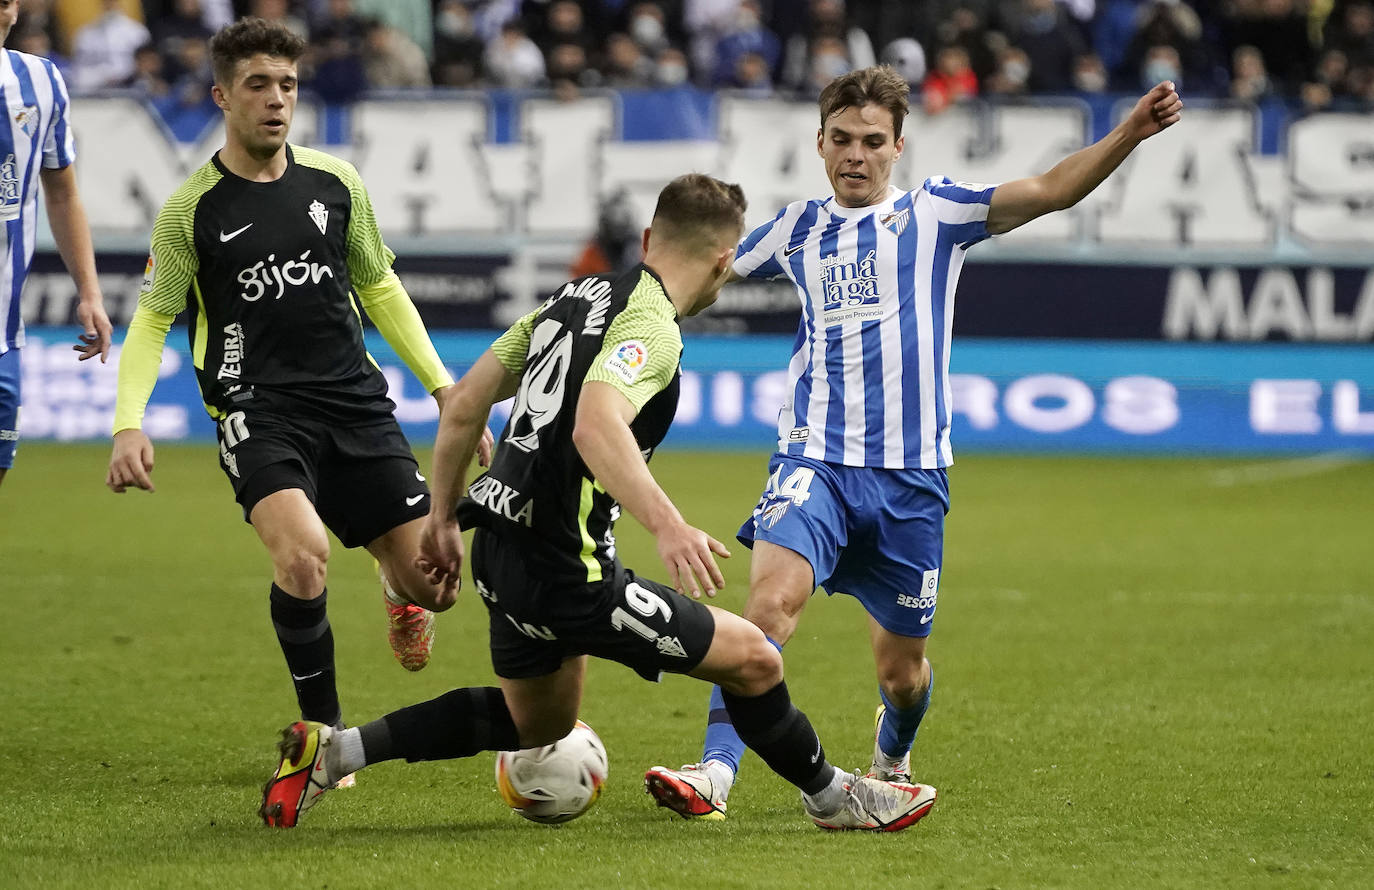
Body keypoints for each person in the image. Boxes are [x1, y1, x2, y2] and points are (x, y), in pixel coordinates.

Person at [259, 173, 936, 833]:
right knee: (756, 659)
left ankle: (334, 753)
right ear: (726, 261)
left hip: (499, 551)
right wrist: (668, 526)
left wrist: (440, 517)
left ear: (648, 237)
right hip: (566, 572)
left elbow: (465, 404)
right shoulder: (655, 327)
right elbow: (596, 423)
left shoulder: (572, 298)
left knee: (542, 723)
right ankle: (835, 798)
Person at [644, 64, 1183, 820]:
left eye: (871, 141)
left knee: (902, 672)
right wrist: (629, 325)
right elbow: (698, 271)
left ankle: (890, 757)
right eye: (841, 140)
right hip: (815, 462)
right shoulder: (796, 229)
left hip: (910, 482)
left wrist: (1128, 131)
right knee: (768, 610)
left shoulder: (940, 214)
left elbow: (1054, 188)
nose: (854, 155)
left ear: (900, 146)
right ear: (820, 142)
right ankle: (715, 773)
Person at [105, 18, 469, 747]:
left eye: (288, 85)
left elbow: (380, 286)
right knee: (303, 556)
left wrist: (444, 389)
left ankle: (400, 591)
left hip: (355, 406)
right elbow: (151, 322)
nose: (277, 99)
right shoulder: (190, 212)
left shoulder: (335, 184)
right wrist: (128, 421)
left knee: (438, 584)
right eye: (258, 85)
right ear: (222, 96)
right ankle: (328, 737)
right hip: (259, 410)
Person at [0, 0, 111, 493]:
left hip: (3, 337)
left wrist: (90, 292)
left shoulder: (41, 82)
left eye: (4, 3)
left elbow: (63, 193)